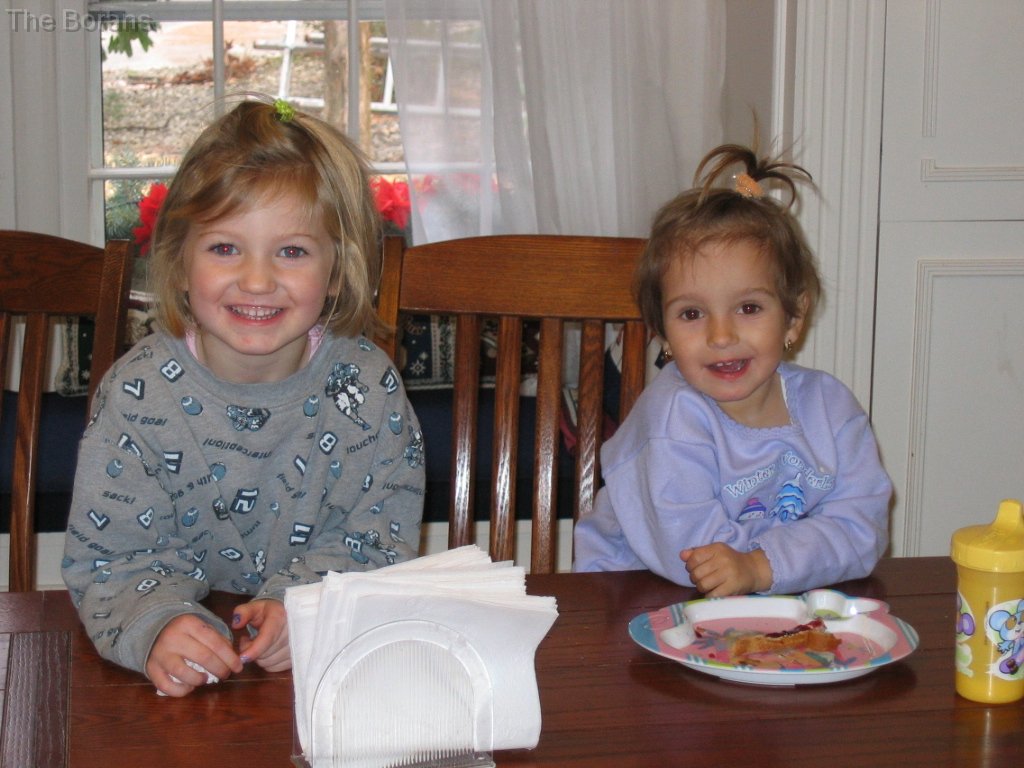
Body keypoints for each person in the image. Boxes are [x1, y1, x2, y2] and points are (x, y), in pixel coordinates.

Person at [62, 97, 425, 697]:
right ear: (179, 263)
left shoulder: (366, 390)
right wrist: (157, 625)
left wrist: (303, 606)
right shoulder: (136, 395)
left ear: (337, 271)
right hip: (190, 703)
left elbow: (377, 542)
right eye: (225, 248)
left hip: (328, 685)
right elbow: (114, 559)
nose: (257, 281)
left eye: (292, 251)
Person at [573, 141, 891, 597]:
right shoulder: (671, 419)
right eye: (691, 314)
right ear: (662, 333)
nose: (720, 336)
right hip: (630, 601)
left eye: (748, 307)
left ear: (793, 318)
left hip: (770, 603)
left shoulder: (831, 408)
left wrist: (762, 566)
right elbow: (698, 559)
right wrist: (778, 563)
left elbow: (863, 529)